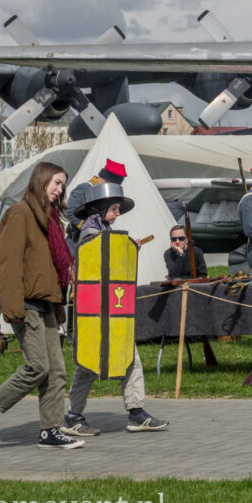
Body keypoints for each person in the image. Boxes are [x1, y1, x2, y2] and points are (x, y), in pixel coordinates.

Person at [0, 162, 83, 449]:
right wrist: (12, 307)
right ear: (41, 180)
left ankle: (50, 431)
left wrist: (58, 307)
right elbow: (7, 263)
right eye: (56, 182)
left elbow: (51, 271)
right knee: (39, 367)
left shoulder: (50, 221)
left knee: (56, 371)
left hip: (46, 304)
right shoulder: (20, 214)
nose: (60, 189)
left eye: (63, 184)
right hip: (25, 304)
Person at [62, 182, 168, 436]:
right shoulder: (89, 234)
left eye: (118, 208)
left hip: (113, 310)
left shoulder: (105, 232)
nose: (118, 213)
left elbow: (115, 271)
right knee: (88, 363)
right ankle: (73, 416)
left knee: (130, 358)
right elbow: (95, 270)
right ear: (100, 210)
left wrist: (128, 250)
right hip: (93, 311)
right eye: (114, 209)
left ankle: (136, 412)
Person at [65, 159, 127, 246]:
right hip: (76, 241)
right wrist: (87, 227)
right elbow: (69, 211)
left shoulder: (103, 192)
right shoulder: (84, 188)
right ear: (108, 180)